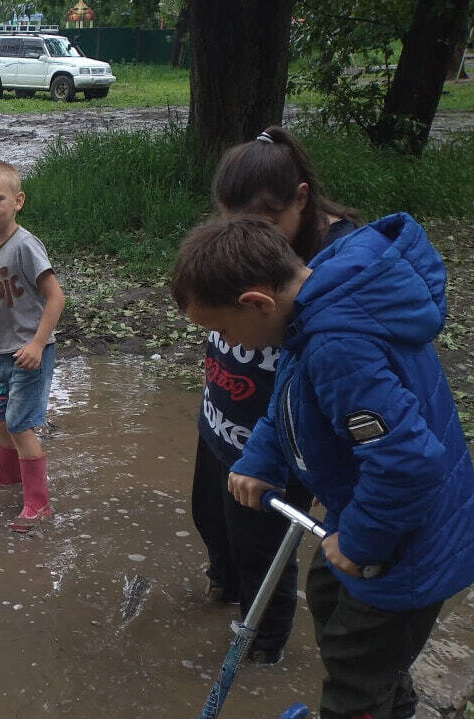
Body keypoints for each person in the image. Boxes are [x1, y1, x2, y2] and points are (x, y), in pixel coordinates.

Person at [171, 214, 474, 719]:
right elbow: (290, 393)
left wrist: (359, 540)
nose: (232, 344)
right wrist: (261, 457)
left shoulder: (337, 344)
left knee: (357, 678)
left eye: (223, 329)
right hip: (373, 513)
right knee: (334, 607)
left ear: (256, 303)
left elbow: (408, 462)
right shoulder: (314, 303)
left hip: (409, 544)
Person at [191, 126, 360, 666]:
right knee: (212, 520)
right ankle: (224, 587)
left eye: (259, 225)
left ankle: (261, 647)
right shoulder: (260, 245)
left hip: (275, 442)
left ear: (302, 200)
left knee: (262, 551)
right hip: (223, 414)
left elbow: (335, 389)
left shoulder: (335, 277)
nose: (244, 237)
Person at [0, 161, 66, 532]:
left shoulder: (25, 245)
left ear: (18, 201)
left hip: (30, 355)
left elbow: (56, 298)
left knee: (21, 424)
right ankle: (6, 482)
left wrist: (38, 344)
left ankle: (38, 504)